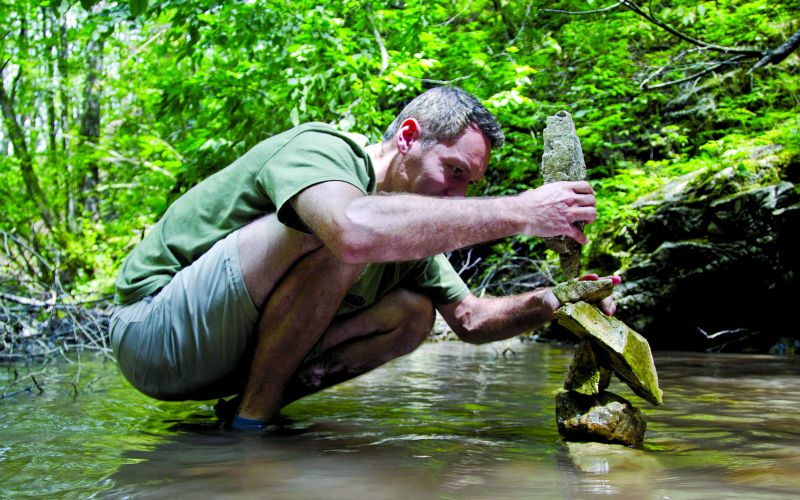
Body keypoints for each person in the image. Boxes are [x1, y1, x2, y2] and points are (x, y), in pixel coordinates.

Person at [110, 86, 616, 430]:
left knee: (414, 313)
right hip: (153, 332)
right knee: (342, 233)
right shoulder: (321, 150)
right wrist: (520, 212)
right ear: (409, 136)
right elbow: (352, 233)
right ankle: (252, 426)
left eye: (471, 184)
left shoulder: (410, 229)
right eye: (455, 171)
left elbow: (471, 320)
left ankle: (246, 409)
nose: (459, 196)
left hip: (221, 362)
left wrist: (558, 300)